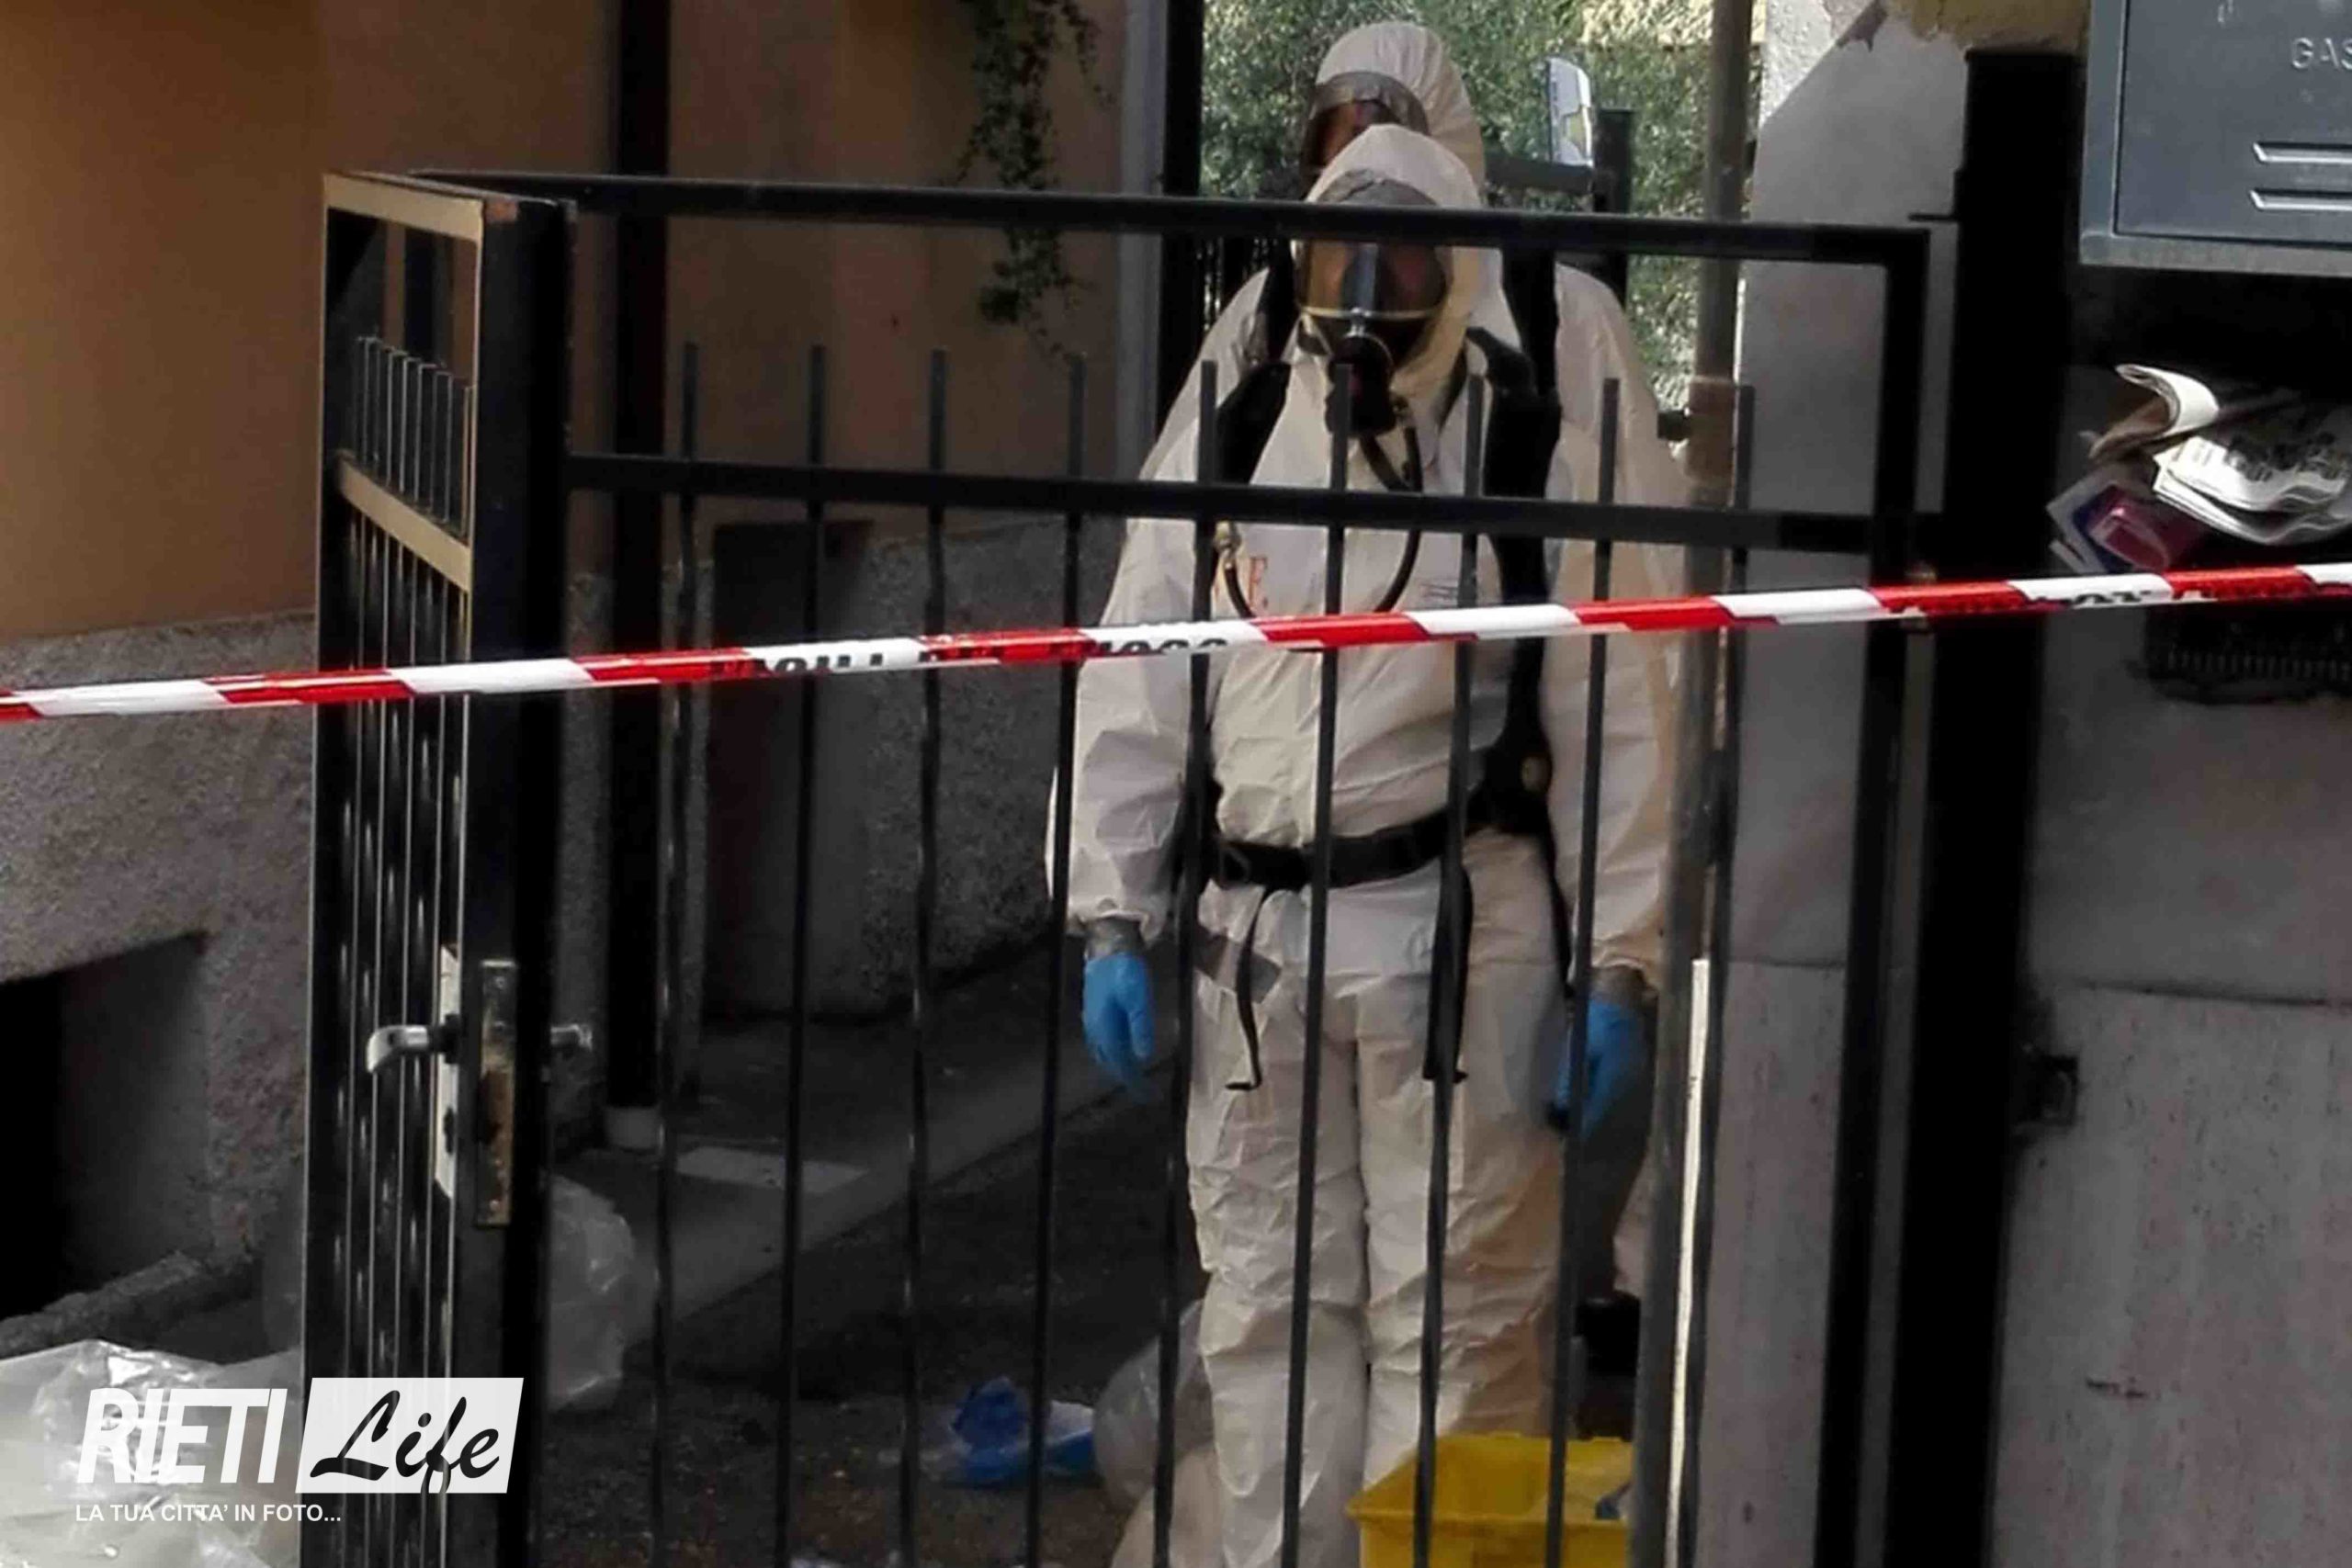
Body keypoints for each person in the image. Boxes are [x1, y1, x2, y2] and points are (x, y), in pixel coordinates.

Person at [1060, 125, 1678, 1568]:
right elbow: (1141, 665)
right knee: (1268, 1313)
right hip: (1257, 945)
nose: (1365, 291)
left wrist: (1621, 965)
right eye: (1344, 251)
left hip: (1457, 930)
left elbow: (1617, 710)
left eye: (1401, 259)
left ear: (1456, 274)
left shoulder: (1523, 438)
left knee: (1458, 1316)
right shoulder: (1238, 420)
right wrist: (1109, 913)